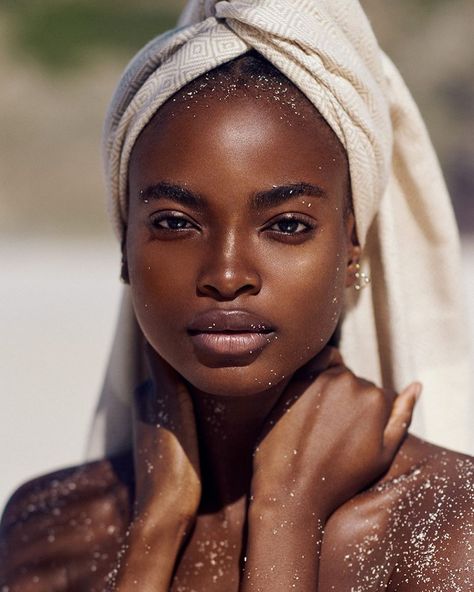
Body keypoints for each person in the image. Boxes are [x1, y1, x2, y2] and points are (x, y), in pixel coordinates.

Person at [1, 1, 472, 591]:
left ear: (352, 245)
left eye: (287, 225)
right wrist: (153, 533)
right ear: (124, 242)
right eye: (175, 222)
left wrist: (286, 516)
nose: (226, 275)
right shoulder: (52, 531)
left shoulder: (445, 530)